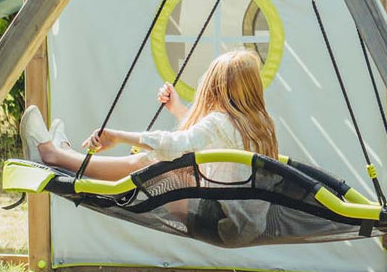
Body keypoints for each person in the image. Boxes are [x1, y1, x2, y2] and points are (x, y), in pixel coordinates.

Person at [19, 49, 279, 243]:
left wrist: (120, 136)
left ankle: (52, 154)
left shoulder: (221, 121)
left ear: (215, 88)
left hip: (219, 221)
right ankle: (64, 156)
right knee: (173, 161)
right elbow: (210, 138)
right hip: (241, 224)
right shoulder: (260, 124)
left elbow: (179, 144)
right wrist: (178, 110)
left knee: (161, 161)